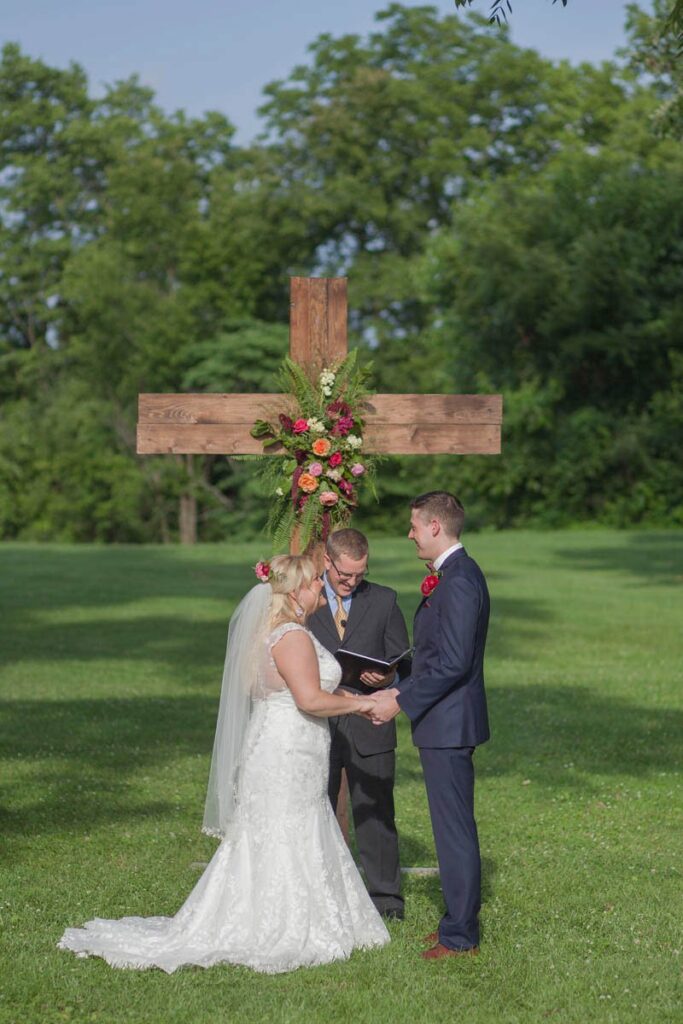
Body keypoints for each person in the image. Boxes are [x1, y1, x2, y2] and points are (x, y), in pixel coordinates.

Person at [58, 554, 389, 974]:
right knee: (286, 825)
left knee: (282, 825)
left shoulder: (272, 633)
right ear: (297, 591)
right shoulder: (293, 637)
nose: (320, 588)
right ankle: (280, 923)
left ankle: (270, 911)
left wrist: (340, 694)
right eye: (315, 582)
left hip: (279, 742)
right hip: (289, 748)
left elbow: (269, 687)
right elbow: (308, 699)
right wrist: (362, 704)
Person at [371, 492, 490, 959]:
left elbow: (456, 664)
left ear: (436, 526)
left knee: (454, 830)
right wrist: (395, 672)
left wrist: (399, 699)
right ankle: (453, 925)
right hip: (444, 721)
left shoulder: (459, 580)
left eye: (414, 526)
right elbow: (439, 653)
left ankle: (460, 938)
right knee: (450, 829)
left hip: (450, 724)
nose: (410, 533)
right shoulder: (455, 575)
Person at [307, 529, 410, 921]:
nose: (353, 582)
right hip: (318, 720)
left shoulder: (383, 601)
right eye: (345, 575)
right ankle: (322, 895)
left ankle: (386, 900)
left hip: (371, 720)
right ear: (327, 563)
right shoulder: (305, 598)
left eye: (360, 574)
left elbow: (404, 662)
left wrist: (388, 680)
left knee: (376, 809)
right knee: (317, 805)